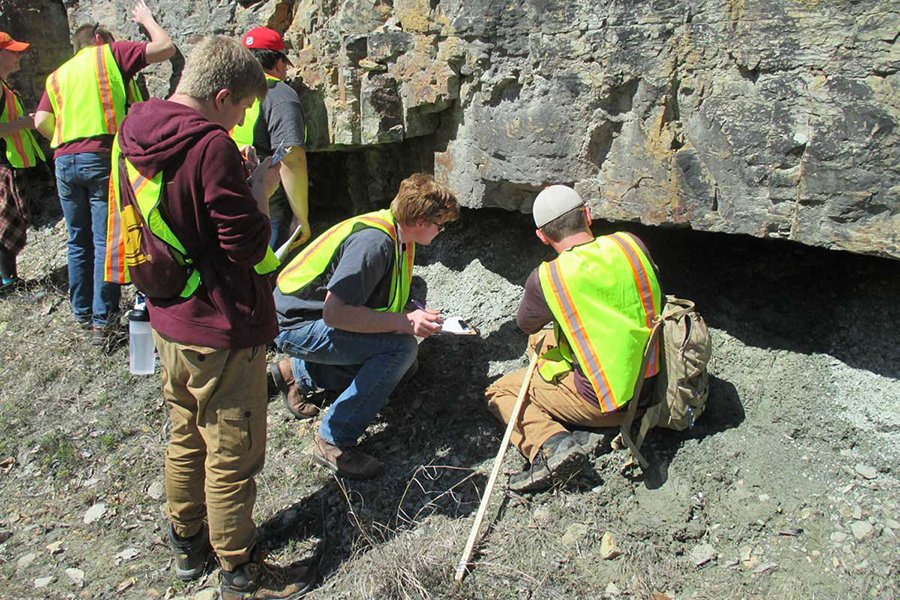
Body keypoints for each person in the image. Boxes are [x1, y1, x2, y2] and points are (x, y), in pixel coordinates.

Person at [111, 36, 313, 598]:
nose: (246, 117)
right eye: (244, 107)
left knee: (184, 434)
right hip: (220, 323)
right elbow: (245, 244)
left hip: (168, 311)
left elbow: (166, 210)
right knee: (232, 449)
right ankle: (240, 569)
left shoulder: (133, 129)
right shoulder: (211, 148)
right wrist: (257, 187)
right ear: (222, 95)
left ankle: (187, 541)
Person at [270, 174, 459, 480]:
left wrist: (413, 313)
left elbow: (377, 297)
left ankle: (297, 373)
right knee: (400, 351)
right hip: (294, 324)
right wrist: (404, 323)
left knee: (404, 367)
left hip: (312, 317)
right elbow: (335, 314)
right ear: (422, 220)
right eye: (440, 224)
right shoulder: (373, 244)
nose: (441, 231)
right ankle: (333, 439)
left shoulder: (398, 236)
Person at [485, 185, 663, 493]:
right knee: (546, 342)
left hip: (611, 404)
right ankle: (582, 428)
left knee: (500, 392)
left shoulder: (548, 277)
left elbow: (526, 324)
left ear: (542, 236)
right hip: (656, 380)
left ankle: (553, 445)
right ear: (588, 215)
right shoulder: (630, 244)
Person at [33, 0, 174, 344]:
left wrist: (66, 141)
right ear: (98, 38)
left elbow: (39, 121)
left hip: (64, 161)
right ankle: (103, 321)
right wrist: (148, 20)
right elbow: (165, 48)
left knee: (77, 238)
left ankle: (82, 312)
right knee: (105, 238)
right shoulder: (109, 53)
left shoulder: (57, 75)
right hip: (100, 156)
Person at [233, 27, 310, 250]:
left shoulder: (228, 92)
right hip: (266, 205)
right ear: (278, 63)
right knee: (267, 274)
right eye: (285, 65)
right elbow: (291, 157)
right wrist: (301, 218)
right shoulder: (278, 93)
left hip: (230, 196)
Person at [0, 32, 45, 293]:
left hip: (10, 164)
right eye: (12, 51)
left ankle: (8, 278)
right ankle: (7, 282)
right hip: (4, 163)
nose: (19, 56)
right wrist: (25, 123)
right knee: (5, 226)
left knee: (9, 223)